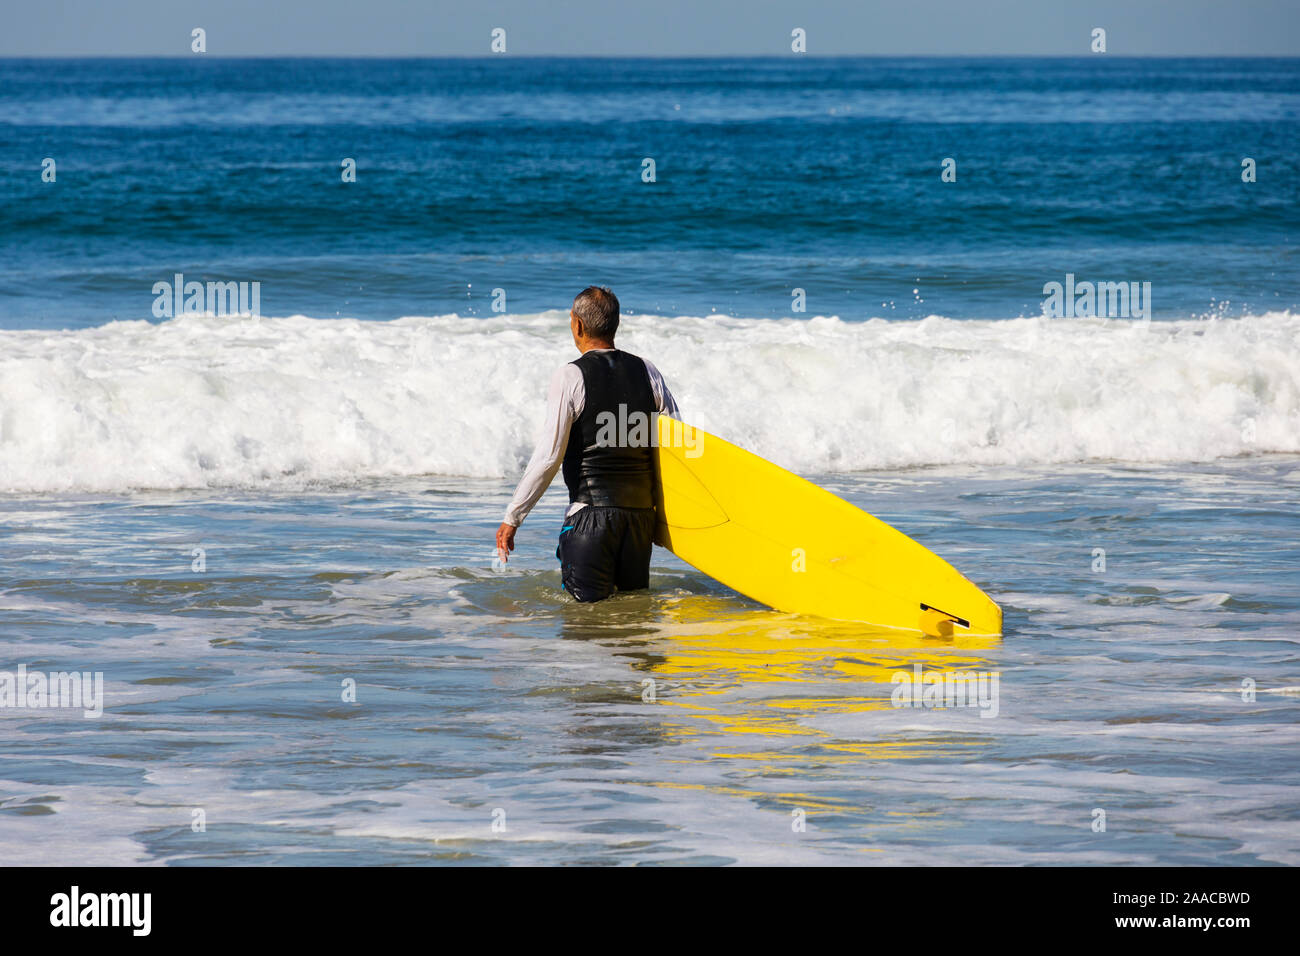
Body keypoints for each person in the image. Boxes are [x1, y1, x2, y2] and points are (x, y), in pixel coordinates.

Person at [495, 286, 680, 602]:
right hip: (638, 521)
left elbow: (549, 457)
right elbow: (675, 446)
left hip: (590, 519)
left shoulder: (570, 375)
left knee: (584, 625)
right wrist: (668, 521)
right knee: (633, 626)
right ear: (615, 324)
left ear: (577, 325)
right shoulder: (648, 370)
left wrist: (513, 516)